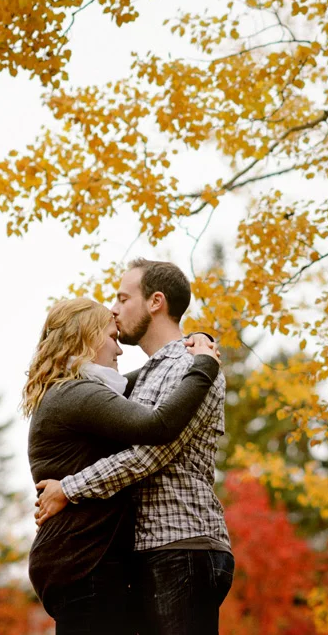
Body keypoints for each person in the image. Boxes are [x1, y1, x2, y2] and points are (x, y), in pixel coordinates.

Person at [35, 259, 233, 635]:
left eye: (123, 298)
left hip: (183, 545)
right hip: (151, 550)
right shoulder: (149, 375)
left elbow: (150, 453)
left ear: (156, 302)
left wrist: (69, 488)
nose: (113, 308)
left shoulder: (191, 366)